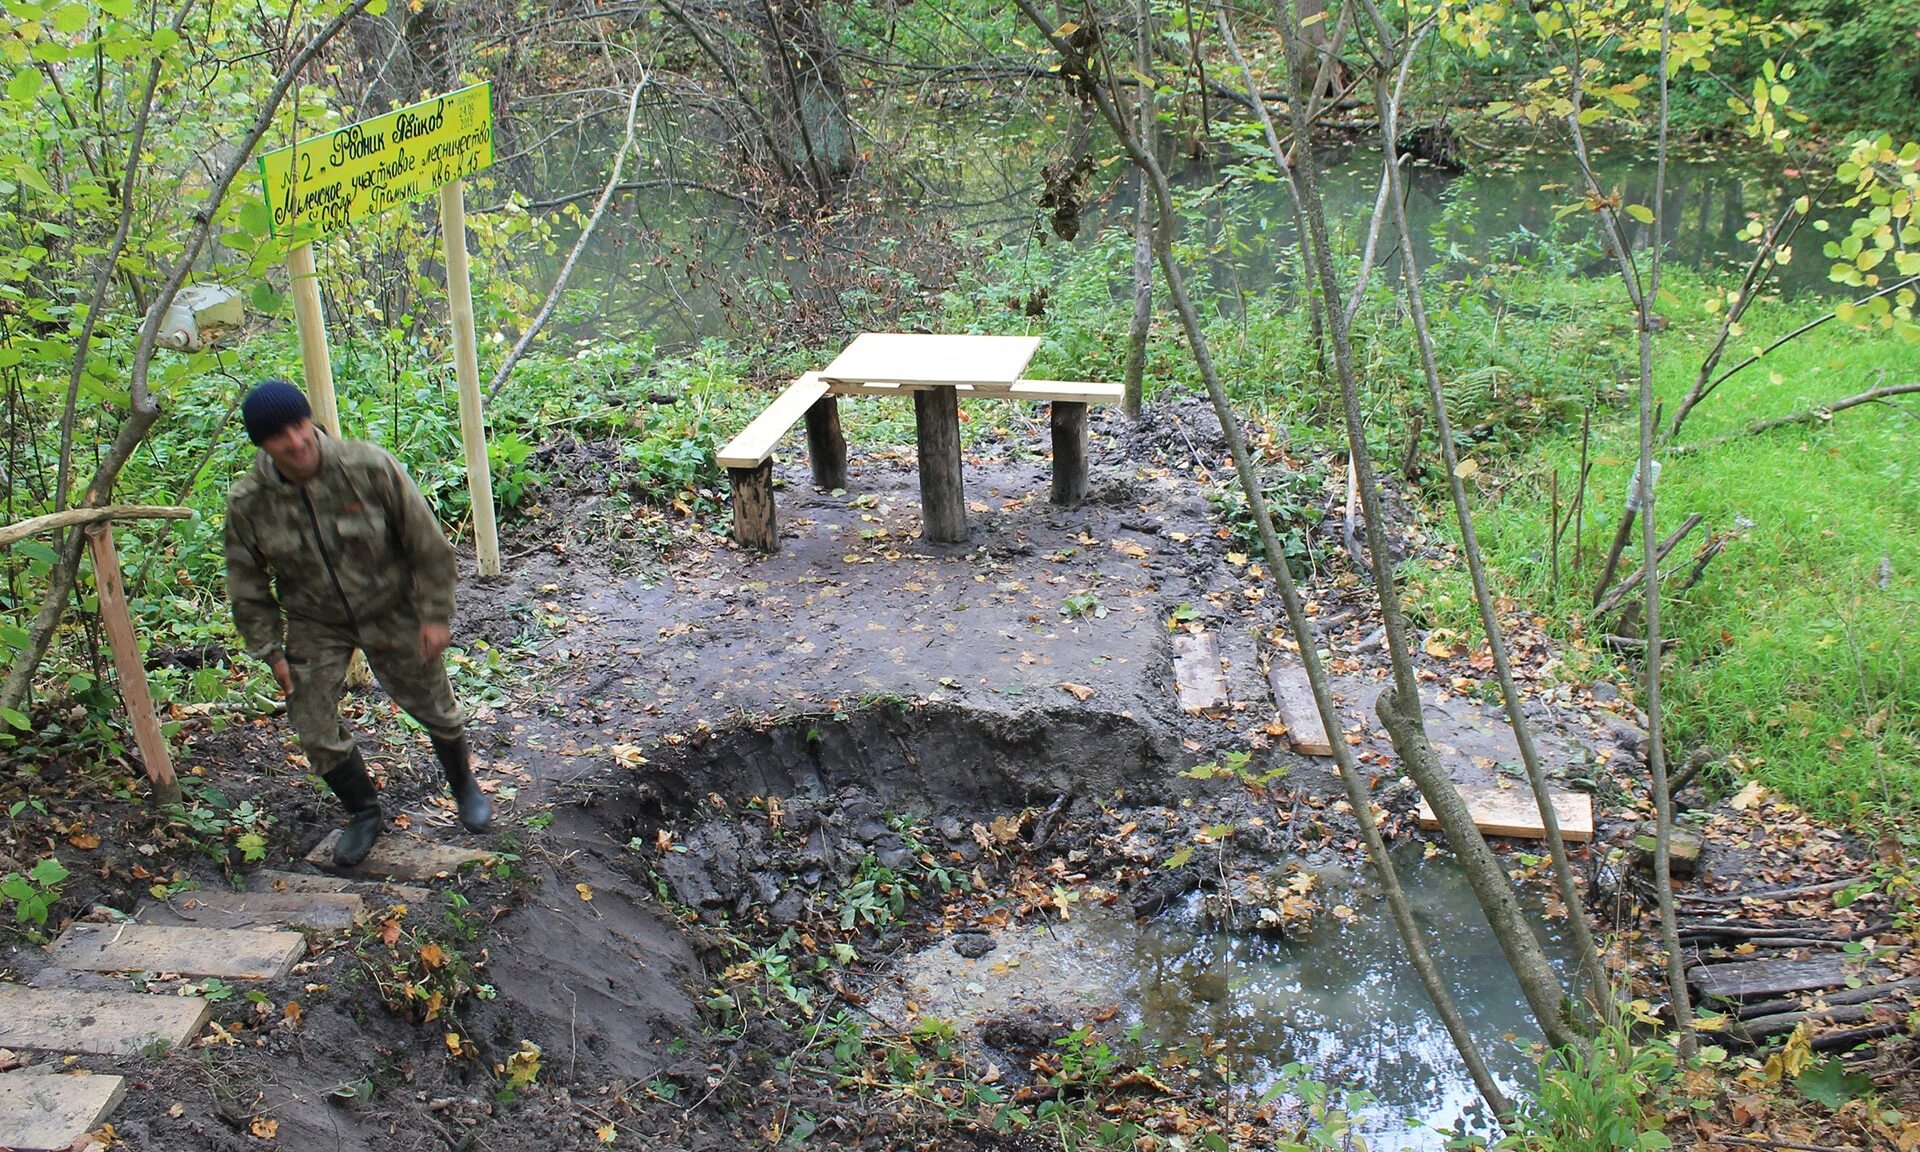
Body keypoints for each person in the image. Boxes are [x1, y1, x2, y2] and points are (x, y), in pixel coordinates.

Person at [223, 379, 491, 866]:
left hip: (389, 605)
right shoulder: (249, 502)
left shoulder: (367, 466)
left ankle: (464, 787)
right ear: (263, 444)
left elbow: (427, 543)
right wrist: (271, 650)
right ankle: (363, 812)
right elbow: (247, 584)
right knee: (312, 724)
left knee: (435, 705)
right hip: (314, 619)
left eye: (300, 425)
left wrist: (433, 615)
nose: (296, 441)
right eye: (280, 435)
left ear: (310, 421)